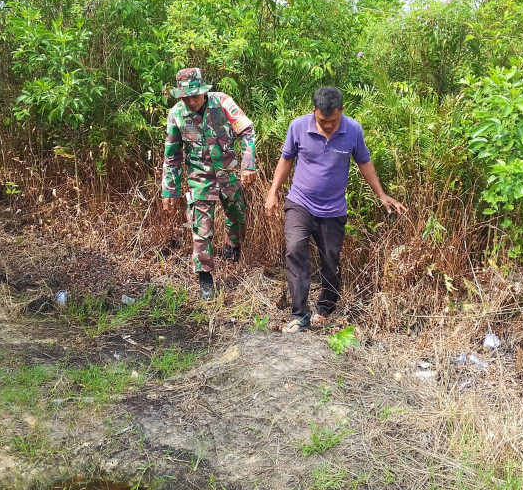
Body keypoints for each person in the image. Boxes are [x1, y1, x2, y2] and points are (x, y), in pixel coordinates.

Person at [265, 86, 406, 333]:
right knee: (295, 248)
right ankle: (300, 315)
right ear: (314, 111)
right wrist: (272, 192)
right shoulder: (298, 126)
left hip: (332, 209)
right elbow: (286, 158)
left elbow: (364, 162)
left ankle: (325, 309)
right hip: (300, 202)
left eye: (333, 121)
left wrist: (382, 195)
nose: (328, 125)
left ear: (342, 111)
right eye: (322, 120)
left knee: (331, 258)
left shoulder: (353, 130)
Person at [162, 68, 257, 299]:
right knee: (201, 229)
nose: (191, 101)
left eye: (195, 95)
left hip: (229, 173)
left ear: (204, 91)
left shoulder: (222, 102)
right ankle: (205, 278)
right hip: (200, 179)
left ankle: (233, 249)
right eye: (186, 97)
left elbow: (247, 131)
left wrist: (248, 163)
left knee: (237, 217)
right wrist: (169, 190)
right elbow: (172, 155)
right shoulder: (176, 114)